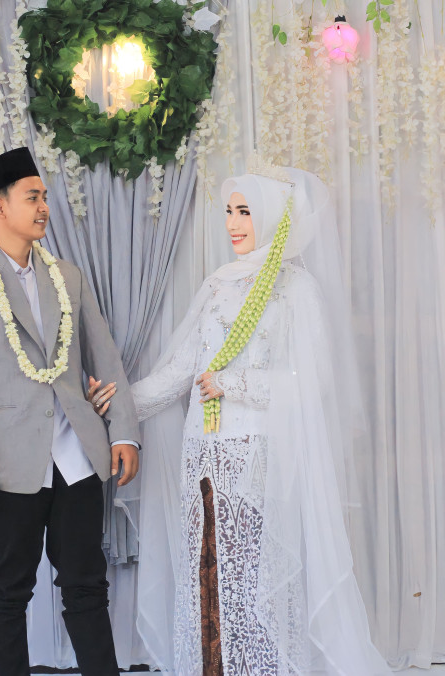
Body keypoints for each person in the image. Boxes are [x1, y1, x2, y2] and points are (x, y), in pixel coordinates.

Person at [89, 161, 392, 676]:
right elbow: (178, 374)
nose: (232, 223)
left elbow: (313, 380)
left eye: (245, 212)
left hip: (256, 459)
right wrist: (112, 405)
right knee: (207, 576)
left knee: (253, 583)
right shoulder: (218, 284)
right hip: (201, 458)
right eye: (229, 211)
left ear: (273, 216)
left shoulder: (294, 288)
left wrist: (235, 383)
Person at [0, 146, 140, 676]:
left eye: (45, 196)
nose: (45, 207)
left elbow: (105, 358)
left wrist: (123, 432)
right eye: (33, 197)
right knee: (6, 591)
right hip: (8, 464)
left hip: (76, 459)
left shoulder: (66, 276)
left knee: (87, 585)